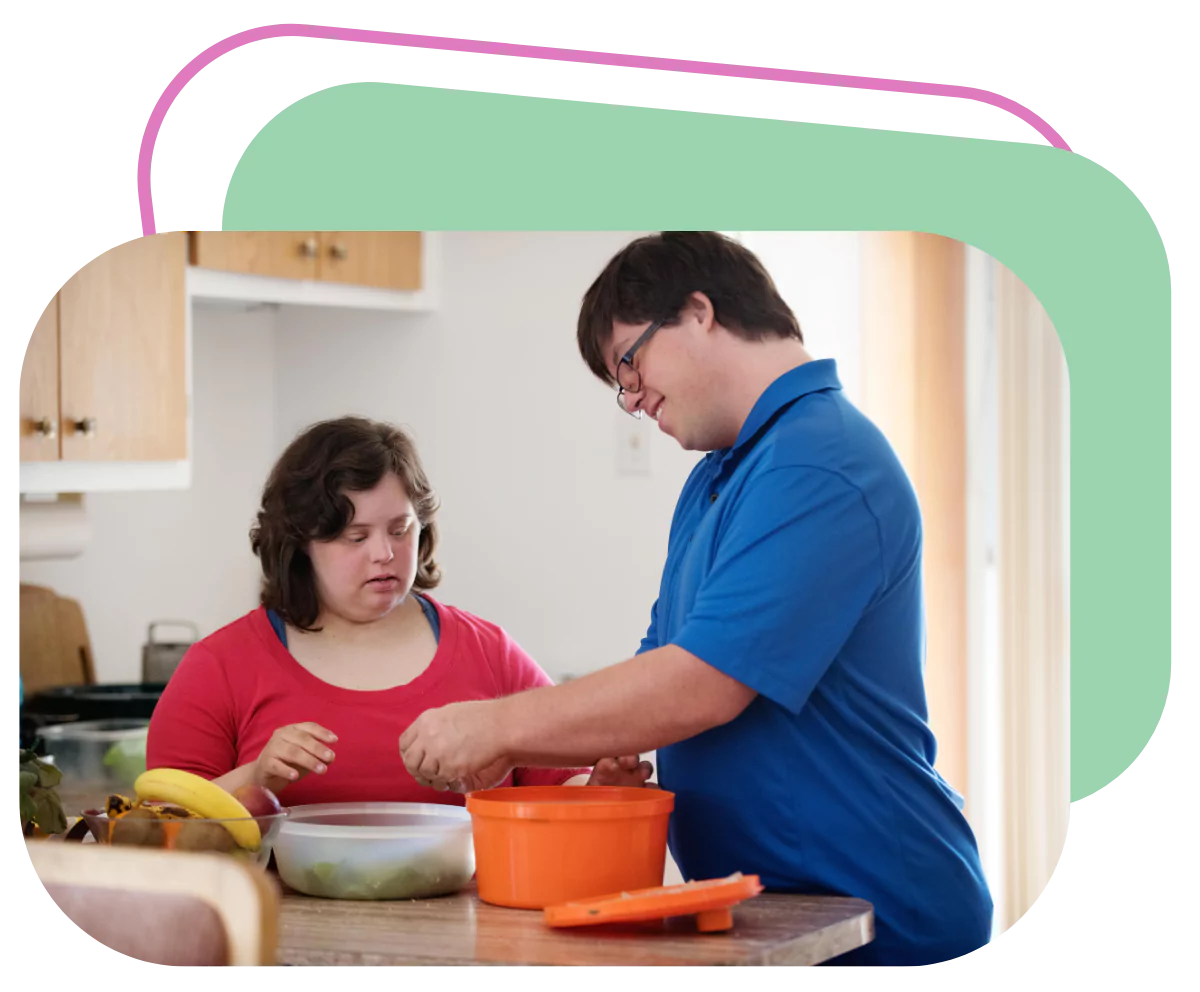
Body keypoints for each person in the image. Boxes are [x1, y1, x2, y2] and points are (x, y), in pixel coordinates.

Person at [398, 231, 994, 968]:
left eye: (628, 363)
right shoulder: (723, 475)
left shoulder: (821, 460)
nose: (631, 397)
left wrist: (499, 728)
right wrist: (574, 754)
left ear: (698, 312)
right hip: (775, 913)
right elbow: (664, 663)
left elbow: (701, 686)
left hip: (877, 916)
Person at [146, 416, 652, 805]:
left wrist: (600, 787)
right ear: (300, 544)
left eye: (400, 529)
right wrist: (255, 779)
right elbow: (155, 828)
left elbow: (560, 791)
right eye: (355, 537)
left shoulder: (489, 652)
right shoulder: (220, 666)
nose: (384, 554)